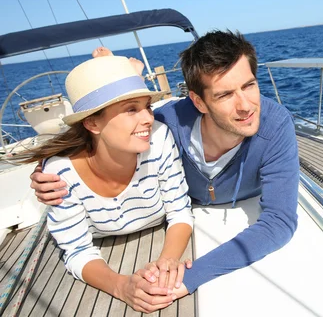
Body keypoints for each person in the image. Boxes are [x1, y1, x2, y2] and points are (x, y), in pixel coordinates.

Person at [31, 30, 300, 297]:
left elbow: (279, 221)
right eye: (224, 95)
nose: (246, 106)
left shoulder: (274, 126)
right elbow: (112, 132)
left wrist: (189, 276)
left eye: (249, 85)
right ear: (198, 101)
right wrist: (46, 167)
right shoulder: (167, 124)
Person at [20, 56, 194, 313]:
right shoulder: (59, 173)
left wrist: (166, 262)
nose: (148, 117)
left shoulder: (159, 139)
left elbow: (179, 211)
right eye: (131, 109)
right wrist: (122, 287)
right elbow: (78, 250)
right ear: (91, 123)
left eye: (147, 106)